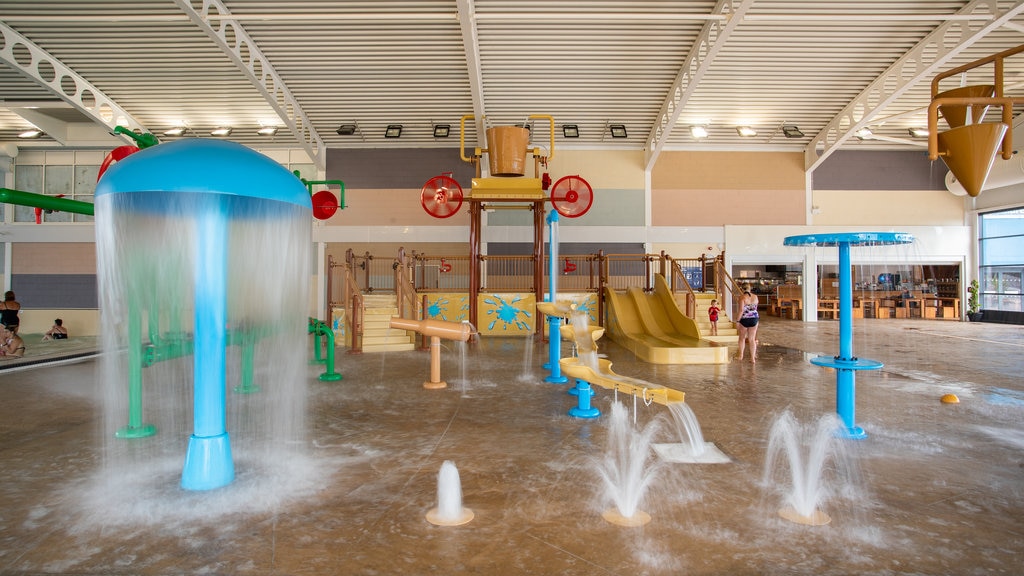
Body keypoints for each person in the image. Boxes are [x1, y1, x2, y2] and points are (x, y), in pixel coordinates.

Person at [736, 289, 760, 364]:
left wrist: (737, 321)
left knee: (742, 338)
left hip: (745, 318)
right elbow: (755, 308)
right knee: (752, 339)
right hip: (754, 318)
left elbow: (741, 310)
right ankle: (752, 358)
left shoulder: (742, 297)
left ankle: (740, 356)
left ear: (742, 289)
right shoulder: (755, 297)